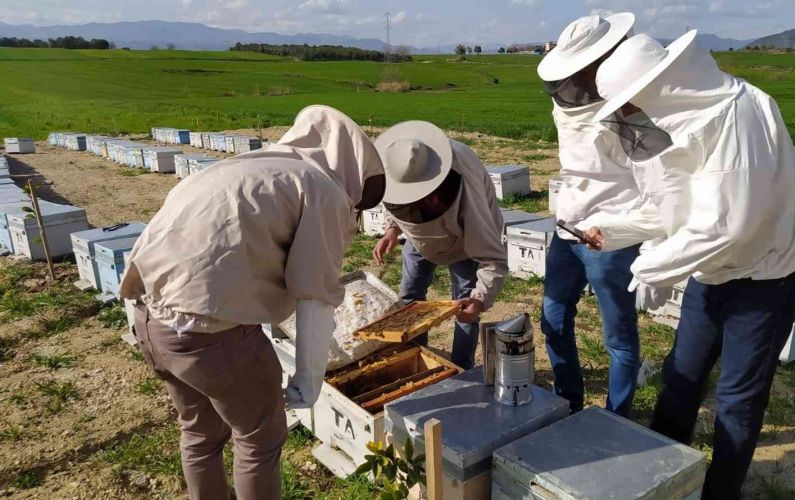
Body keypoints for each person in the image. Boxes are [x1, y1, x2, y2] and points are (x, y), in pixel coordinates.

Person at [584, 31, 795, 499]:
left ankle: (719, 492)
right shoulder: (684, 122)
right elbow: (678, 209)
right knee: (680, 378)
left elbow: (727, 226)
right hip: (714, 272)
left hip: (767, 278)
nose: (631, 120)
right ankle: (664, 477)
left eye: (631, 107)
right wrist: (612, 230)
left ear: (655, 88)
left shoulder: (739, 115)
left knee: (737, 399)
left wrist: (653, 267)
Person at [120, 105, 386, 500]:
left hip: (147, 320)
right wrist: (309, 381)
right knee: (259, 441)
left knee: (200, 433)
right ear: (349, 162)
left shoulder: (241, 167)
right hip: (208, 333)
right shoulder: (321, 189)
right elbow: (314, 297)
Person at [536, 13, 643, 415]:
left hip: (611, 233)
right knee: (553, 315)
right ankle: (568, 401)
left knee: (618, 337)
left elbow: (658, 176)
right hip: (568, 226)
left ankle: (617, 418)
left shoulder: (635, 107)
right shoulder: (563, 103)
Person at [371, 120, 507, 369]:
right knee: (410, 299)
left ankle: (461, 368)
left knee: (465, 307)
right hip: (417, 240)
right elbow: (395, 195)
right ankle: (415, 358)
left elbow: (492, 257)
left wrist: (480, 298)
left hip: (465, 242)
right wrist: (392, 229)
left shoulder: (466, 190)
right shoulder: (399, 165)